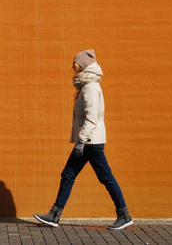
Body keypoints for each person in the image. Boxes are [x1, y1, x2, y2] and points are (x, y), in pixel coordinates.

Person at [33, 49, 132, 230]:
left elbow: (92, 117)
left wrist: (81, 141)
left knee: (104, 177)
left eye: (75, 63)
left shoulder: (90, 87)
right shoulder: (85, 86)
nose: (72, 66)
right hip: (88, 141)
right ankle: (55, 215)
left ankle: (124, 215)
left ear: (83, 65)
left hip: (90, 143)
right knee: (69, 174)